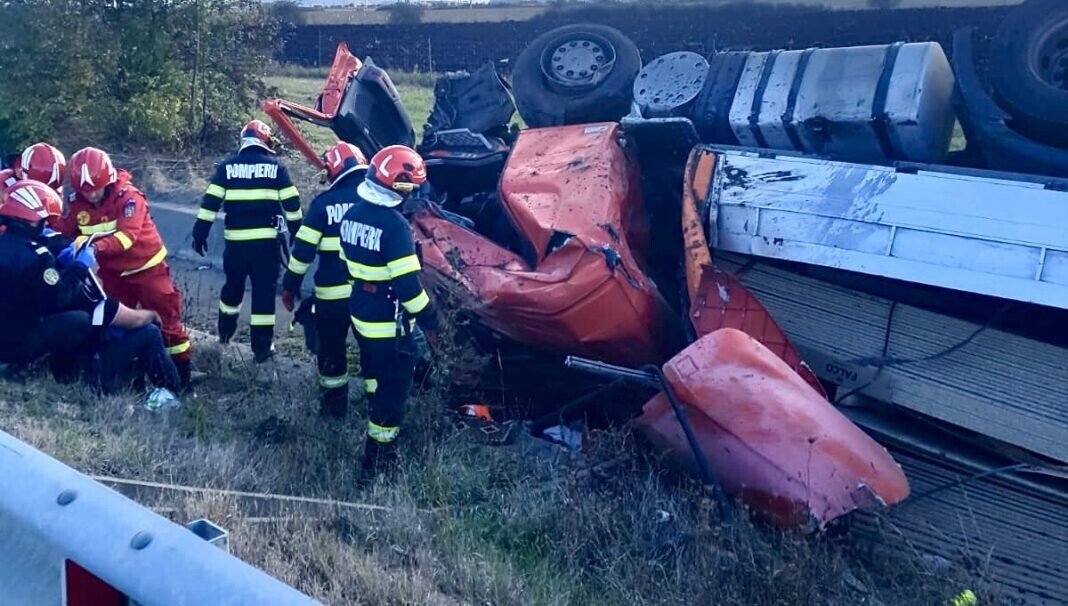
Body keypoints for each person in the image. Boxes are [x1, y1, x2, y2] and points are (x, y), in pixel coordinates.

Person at [0, 180, 180, 394]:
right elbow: (130, 317)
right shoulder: (58, 274)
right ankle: (174, 392)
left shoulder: (9, 246)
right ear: (28, 219)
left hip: (10, 338)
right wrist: (151, 315)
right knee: (149, 333)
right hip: (81, 365)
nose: (46, 224)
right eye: (43, 220)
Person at [339, 145, 439, 477]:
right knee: (392, 393)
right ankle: (379, 459)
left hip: (360, 311)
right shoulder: (395, 227)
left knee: (374, 372)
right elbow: (408, 287)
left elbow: (346, 263)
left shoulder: (352, 214)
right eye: (412, 187)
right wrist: (431, 318)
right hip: (388, 321)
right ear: (400, 185)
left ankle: (374, 411)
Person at [56, 147, 193, 388]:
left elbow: (127, 237)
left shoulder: (129, 198)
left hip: (147, 270)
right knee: (121, 325)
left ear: (108, 180)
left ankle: (182, 376)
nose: (91, 195)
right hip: (114, 275)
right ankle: (134, 375)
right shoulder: (77, 203)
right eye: (85, 191)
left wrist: (95, 248)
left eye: (95, 189)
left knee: (167, 323)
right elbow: (65, 230)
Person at [192, 120, 302, 363]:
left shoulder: (227, 168)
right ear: (264, 141)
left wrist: (200, 233)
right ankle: (262, 349)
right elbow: (292, 204)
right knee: (264, 295)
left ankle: (225, 333)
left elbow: (210, 203)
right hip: (266, 248)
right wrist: (297, 232)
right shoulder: (276, 168)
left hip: (236, 246)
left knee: (232, 289)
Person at [282, 142, 367, 418]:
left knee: (332, 352)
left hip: (332, 298)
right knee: (374, 352)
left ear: (333, 170)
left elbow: (302, 253)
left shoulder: (322, 205)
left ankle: (333, 410)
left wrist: (290, 287)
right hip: (369, 297)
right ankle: (376, 408)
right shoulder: (376, 201)